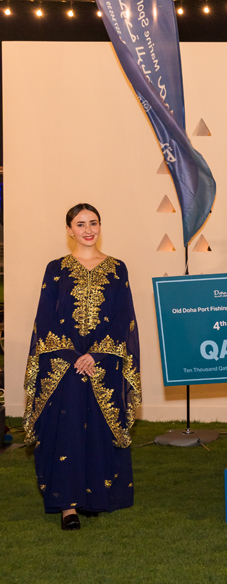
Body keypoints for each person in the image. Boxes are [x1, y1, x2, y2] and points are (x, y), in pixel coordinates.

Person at [24, 204, 141, 530]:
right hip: (64, 365)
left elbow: (123, 318)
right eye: (80, 224)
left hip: (103, 363)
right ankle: (68, 506)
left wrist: (97, 355)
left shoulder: (118, 269)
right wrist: (73, 355)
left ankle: (94, 497)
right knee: (68, 429)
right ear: (70, 230)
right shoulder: (56, 269)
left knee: (99, 426)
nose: (88, 229)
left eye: (93, 223)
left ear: (100, 226)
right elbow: (45, 317)